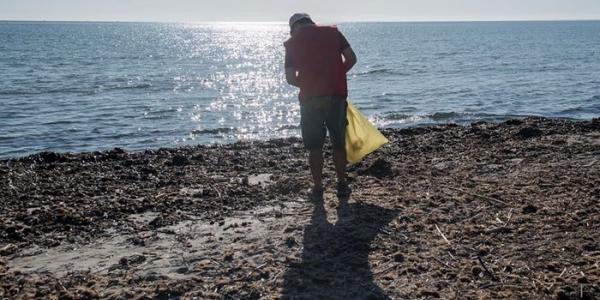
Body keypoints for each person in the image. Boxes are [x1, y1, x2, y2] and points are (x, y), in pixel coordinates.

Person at [284, 13, 357, 200]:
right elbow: (351, 58)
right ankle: (342, 185)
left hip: (310, 99)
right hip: (336, 95)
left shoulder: (292, 43)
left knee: (314, 147)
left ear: (293, 28)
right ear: (311, 22)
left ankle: (318, 189)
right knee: (338, 143)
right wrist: (336, 76)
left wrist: (311, 83)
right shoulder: (333, 33)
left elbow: (291, 78)